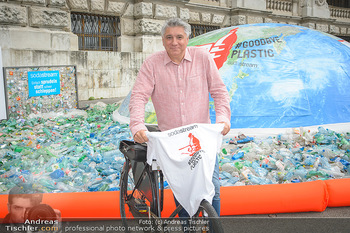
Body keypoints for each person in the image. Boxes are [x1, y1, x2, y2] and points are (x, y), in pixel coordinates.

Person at [129, 18, 231, 217]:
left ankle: (213, 229)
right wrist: (137, 126)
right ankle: (188, 229)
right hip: (172, 141)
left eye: (179, 37)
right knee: (181, 190)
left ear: (187, 38)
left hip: (201, 138)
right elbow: (139, 96)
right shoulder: (152, 64)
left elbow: (219, 91)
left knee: (213, 186)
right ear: (162, 40)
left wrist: (223, 119)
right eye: (169, 37)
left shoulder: (203, 58)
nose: (174, 42)